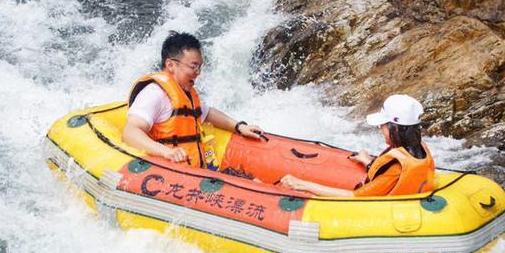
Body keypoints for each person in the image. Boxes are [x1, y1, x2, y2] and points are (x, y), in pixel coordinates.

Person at [123, 31, 264, 167]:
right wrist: (166, 152)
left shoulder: (186, 94)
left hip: (194, 171)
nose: (198, 73)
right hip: (167, 172)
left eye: (200, 67)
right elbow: (130, 133)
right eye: (193, 67)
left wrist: (240, 127)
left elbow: (207, 113)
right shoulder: (154, 94)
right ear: (171, 65)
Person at [280, 94, 435, 197]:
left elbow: (354, 197)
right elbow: (391, 179)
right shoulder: (419, 149)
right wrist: (367, 161)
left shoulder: (397, 167)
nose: (380, 128)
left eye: (383, 125)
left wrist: (301, 184)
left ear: (395, 128)